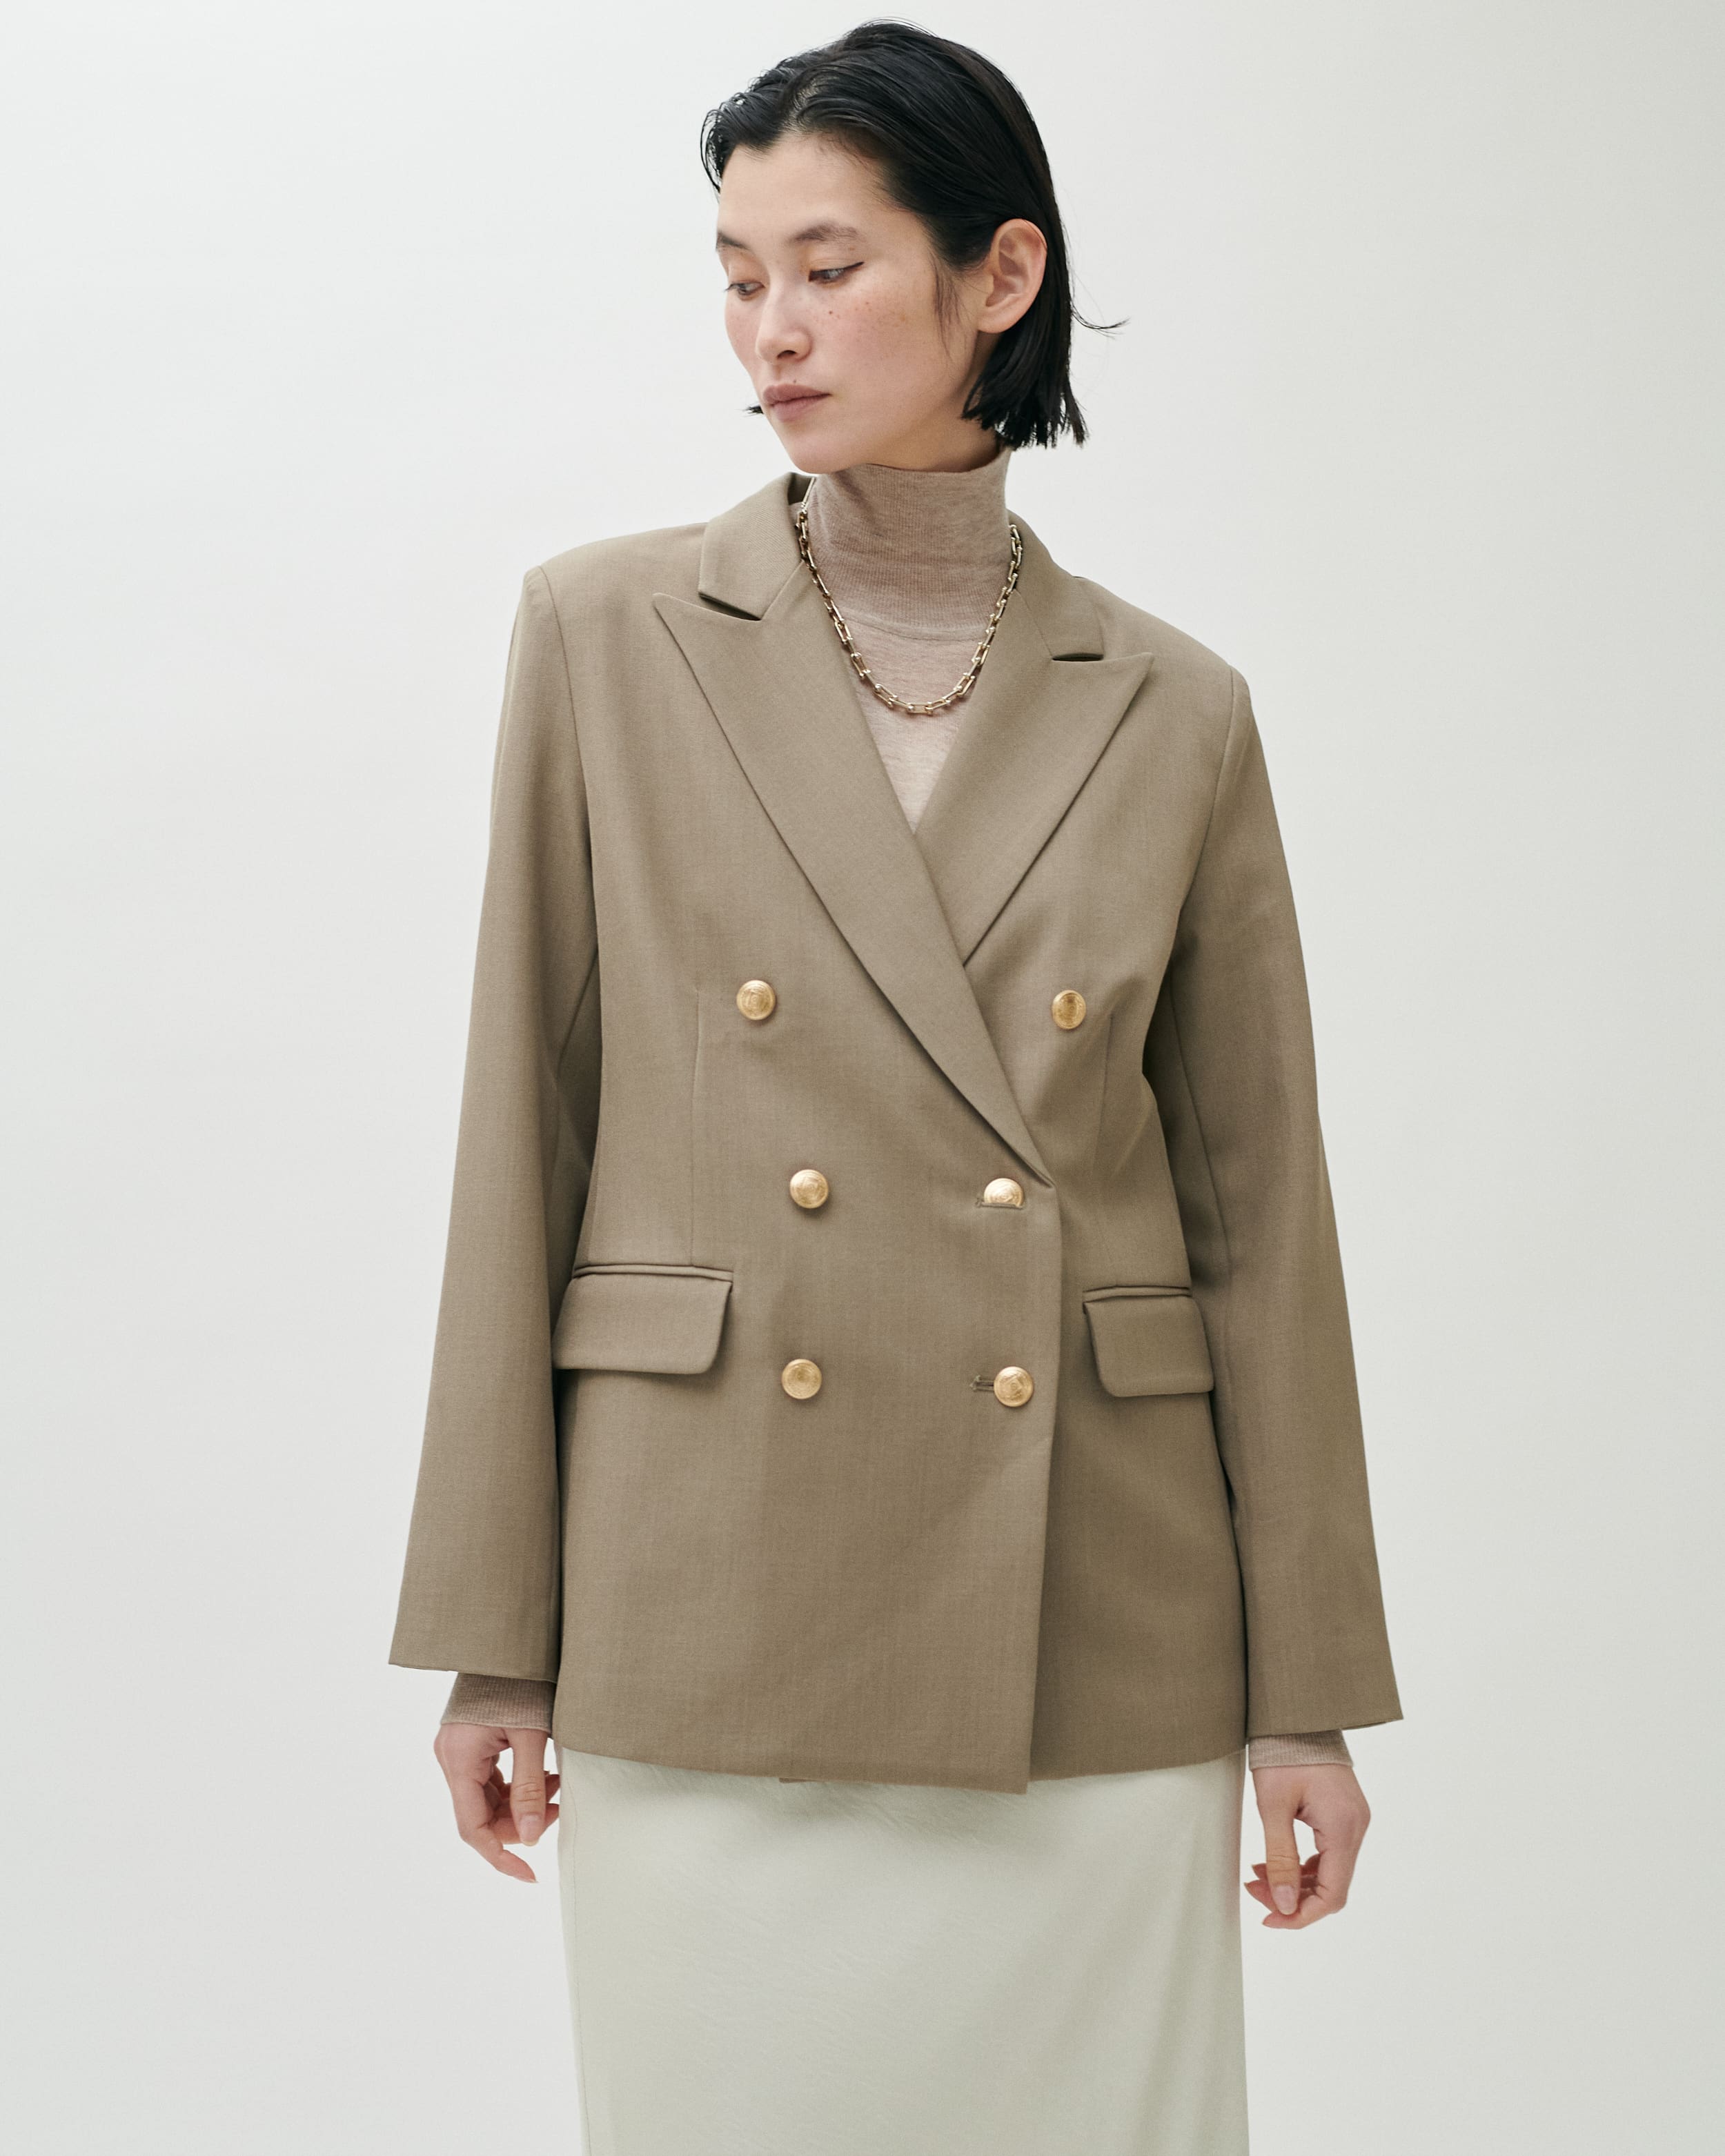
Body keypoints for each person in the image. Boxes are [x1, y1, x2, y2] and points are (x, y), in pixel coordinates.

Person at [389, 22, 1402, 2154]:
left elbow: (1258, 1227)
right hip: (705, 1591)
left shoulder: (1177, 708)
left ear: (998, 275)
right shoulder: (604, 635)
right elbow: (521, 1131)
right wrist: (495, 1643)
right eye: (737, 274)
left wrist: (1302, 1698)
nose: (769, 328)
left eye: (829, 268)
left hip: (1091, 1619)